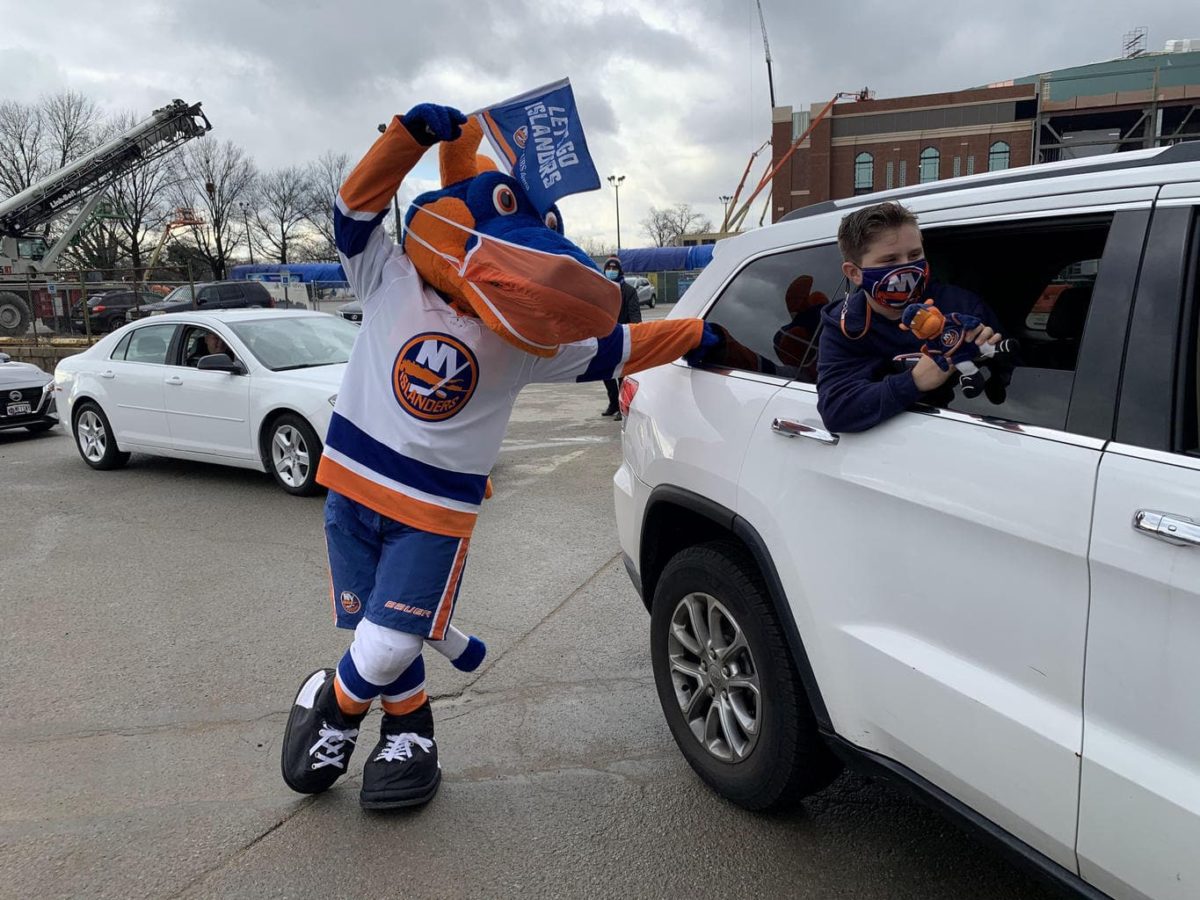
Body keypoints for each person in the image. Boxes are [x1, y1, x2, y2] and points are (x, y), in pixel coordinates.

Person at [279, 103, 718, 812]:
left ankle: (334, 707)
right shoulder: (385, 278)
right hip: (349, 493)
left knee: (387, 640)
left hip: (434, 515)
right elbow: (354, 210)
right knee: (378, 633)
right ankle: (411, 732)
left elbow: (617, 348)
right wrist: (409, 137)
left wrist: (695, 332)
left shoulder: (520, 343)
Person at [815, 201, 1003, 433]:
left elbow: (1013, 378)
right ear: (854, 273)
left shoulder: (962, 306)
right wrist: (914, 380)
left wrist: (988, 353)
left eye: (915, 254)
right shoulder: (846, 326)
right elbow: (836, 410)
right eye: (890, 260)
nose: (907, 267)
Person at [600, 255, 642, 420]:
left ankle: (622, 406)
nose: (611, 271)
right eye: (608, 269)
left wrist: (635, 332)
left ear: (620, 270)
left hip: (622, 337)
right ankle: (613, 403)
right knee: (605, 373)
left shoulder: (629, 291)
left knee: (622, 375)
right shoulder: (602, 290)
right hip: (604, 337)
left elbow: (635, 316)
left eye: (614, 268)